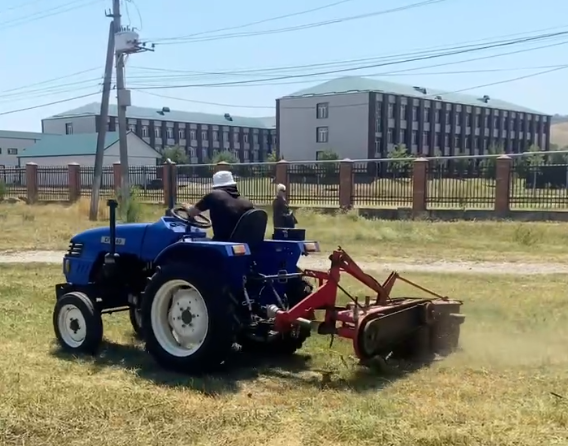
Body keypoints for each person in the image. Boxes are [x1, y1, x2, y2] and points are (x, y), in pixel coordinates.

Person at [183, 170, 254, 241]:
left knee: (189, 242)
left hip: (222, 241)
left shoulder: (214, 195)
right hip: (245, 242)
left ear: (216, 186)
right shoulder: (247, 202)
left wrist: (186, 206)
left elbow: (192, 212)